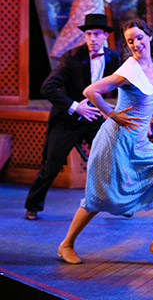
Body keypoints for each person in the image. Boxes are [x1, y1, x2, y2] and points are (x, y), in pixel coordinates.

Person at [56, 19, 153, 265]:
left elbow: (152, 108)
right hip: (115, 141)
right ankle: (66, 244)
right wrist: (111, 113)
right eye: (130, 41)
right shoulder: (129, 69)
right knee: (97, 198)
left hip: (139, 142)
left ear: (149, 37)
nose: (136, 44)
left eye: (139, 38)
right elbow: (90, 91)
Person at [24, 14, 120, 221]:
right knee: (52, 165)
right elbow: (47, 87)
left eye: (97, 34)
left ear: (105, 35)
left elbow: (122, 85)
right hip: (67, 119)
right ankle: (33, 205)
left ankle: (118, 203)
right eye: (88, 34)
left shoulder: (112, 57)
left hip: (93, 117)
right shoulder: (72, 57)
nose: (92, 39)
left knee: (109, 159)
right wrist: (75, 107)